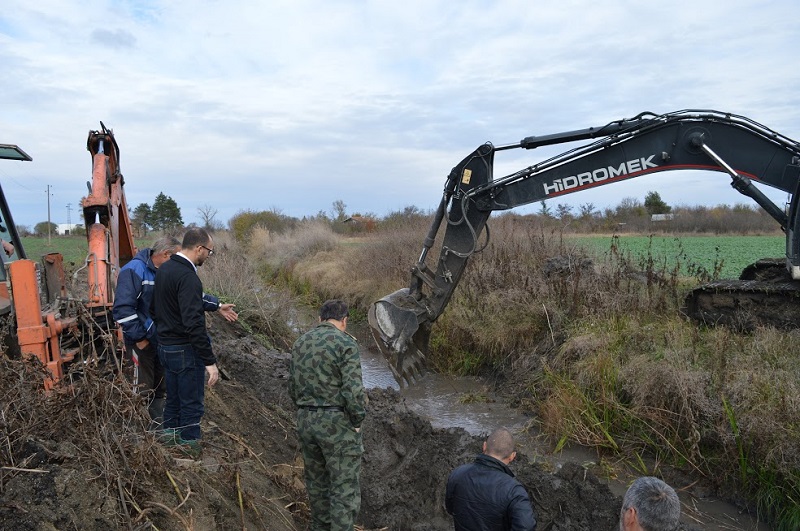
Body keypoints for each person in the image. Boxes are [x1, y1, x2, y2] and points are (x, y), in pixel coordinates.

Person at [113, 236, 238, 428]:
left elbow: (189, 295)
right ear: (166, 254)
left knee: (161, 388)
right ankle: (139, 436)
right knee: (141, 388)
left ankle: (160, 431)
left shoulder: (164, 271)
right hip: (141, 342)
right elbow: (123, 310)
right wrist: (140, 338)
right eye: (176, 256)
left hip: (160, 340)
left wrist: (217, 305)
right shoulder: (133, 271)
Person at [150, 228, 232, 454]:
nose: (209, 256)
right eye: (210, 251)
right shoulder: (188, 277)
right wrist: (209, 361)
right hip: (185, 350)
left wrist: (216, 305)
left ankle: (170, 441)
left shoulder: (164, 269)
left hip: (165, 346)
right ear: (199, 248)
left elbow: (155, 308)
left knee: (174, 397)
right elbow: (194, 323)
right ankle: (189, 448)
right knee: (191, 402)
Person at [288, 299, 367, 531]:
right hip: (336, 424)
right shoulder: (346, 344)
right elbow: (353, 390)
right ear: (344, 321)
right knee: (344, 489)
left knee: (317, 485)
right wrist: (356, 420)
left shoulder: (300, 343)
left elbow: (292, 388)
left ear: (320, 319)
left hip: (306, 421)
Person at [445, 427, 537, 531]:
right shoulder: (514, 491)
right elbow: (526, 526)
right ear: (512, 456)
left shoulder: (458, 473)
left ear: (484, 446)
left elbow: (450, 508)